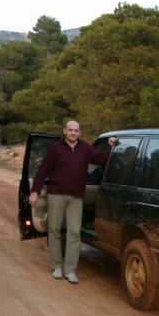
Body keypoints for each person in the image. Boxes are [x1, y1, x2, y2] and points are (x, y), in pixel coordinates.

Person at [28, 121, 117, 284]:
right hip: (56, 195)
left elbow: (101, 159)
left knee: (74, 232)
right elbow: (43, 170)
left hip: (76, 198)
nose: (73, 133)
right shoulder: (55, 148)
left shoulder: (86, 148)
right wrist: (34, 191)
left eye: (76, 130)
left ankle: (70, 270)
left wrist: (111, 147)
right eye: (70, 130)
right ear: (64, 131)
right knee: (54, 229)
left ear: (79, 133)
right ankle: (56, 266)